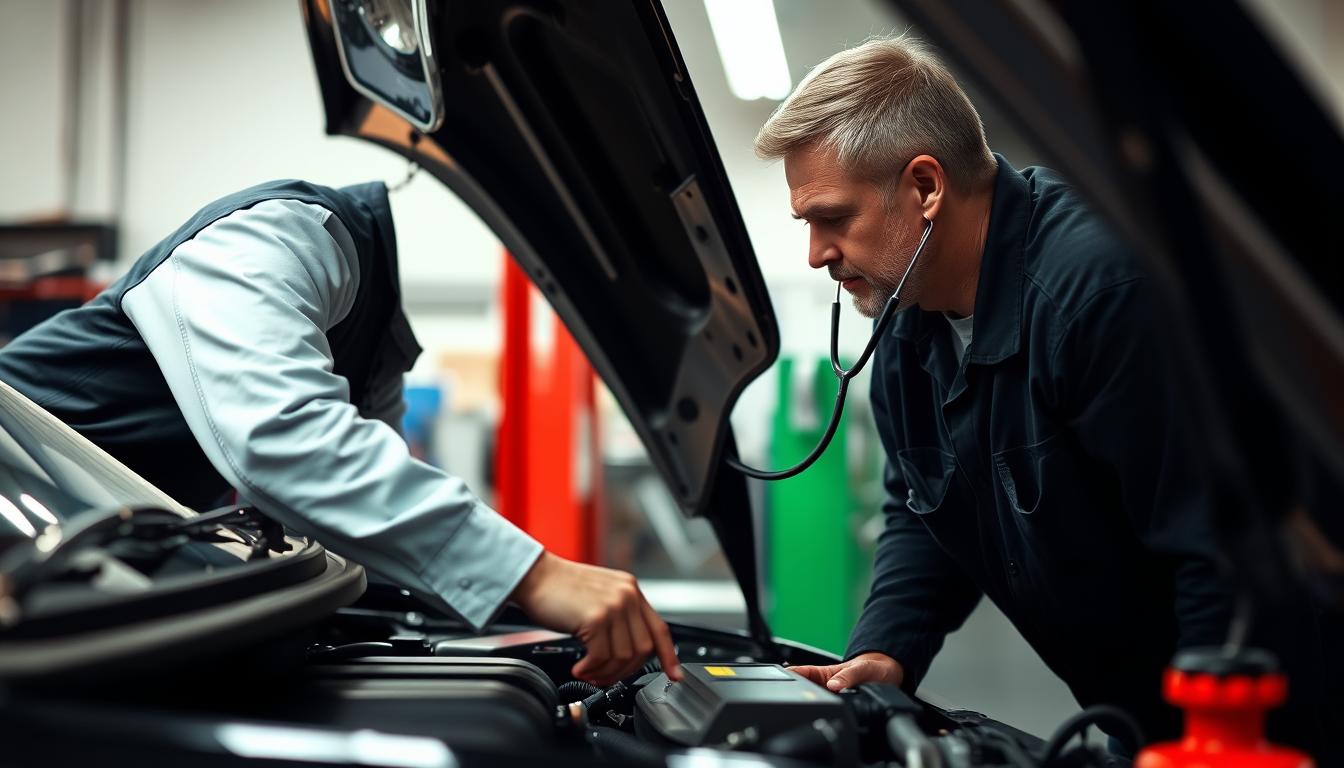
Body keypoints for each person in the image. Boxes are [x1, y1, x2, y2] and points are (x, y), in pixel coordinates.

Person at [754, 36, 1250, 746]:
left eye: (833, 218)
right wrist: (883, 653)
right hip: (1139, 716)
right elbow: (922, 508)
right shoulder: (905, 320)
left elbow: (1211, 552)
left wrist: (1213, 744)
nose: (816, 253)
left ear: (925, 187)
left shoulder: (1096, 293)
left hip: (1252, 721)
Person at [0, 179, 681, 687]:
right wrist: (536, 575)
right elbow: (285, 440)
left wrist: (518, 618)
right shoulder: (278, 234)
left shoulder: (371, 342)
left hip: (72, 580)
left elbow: (361, 519)